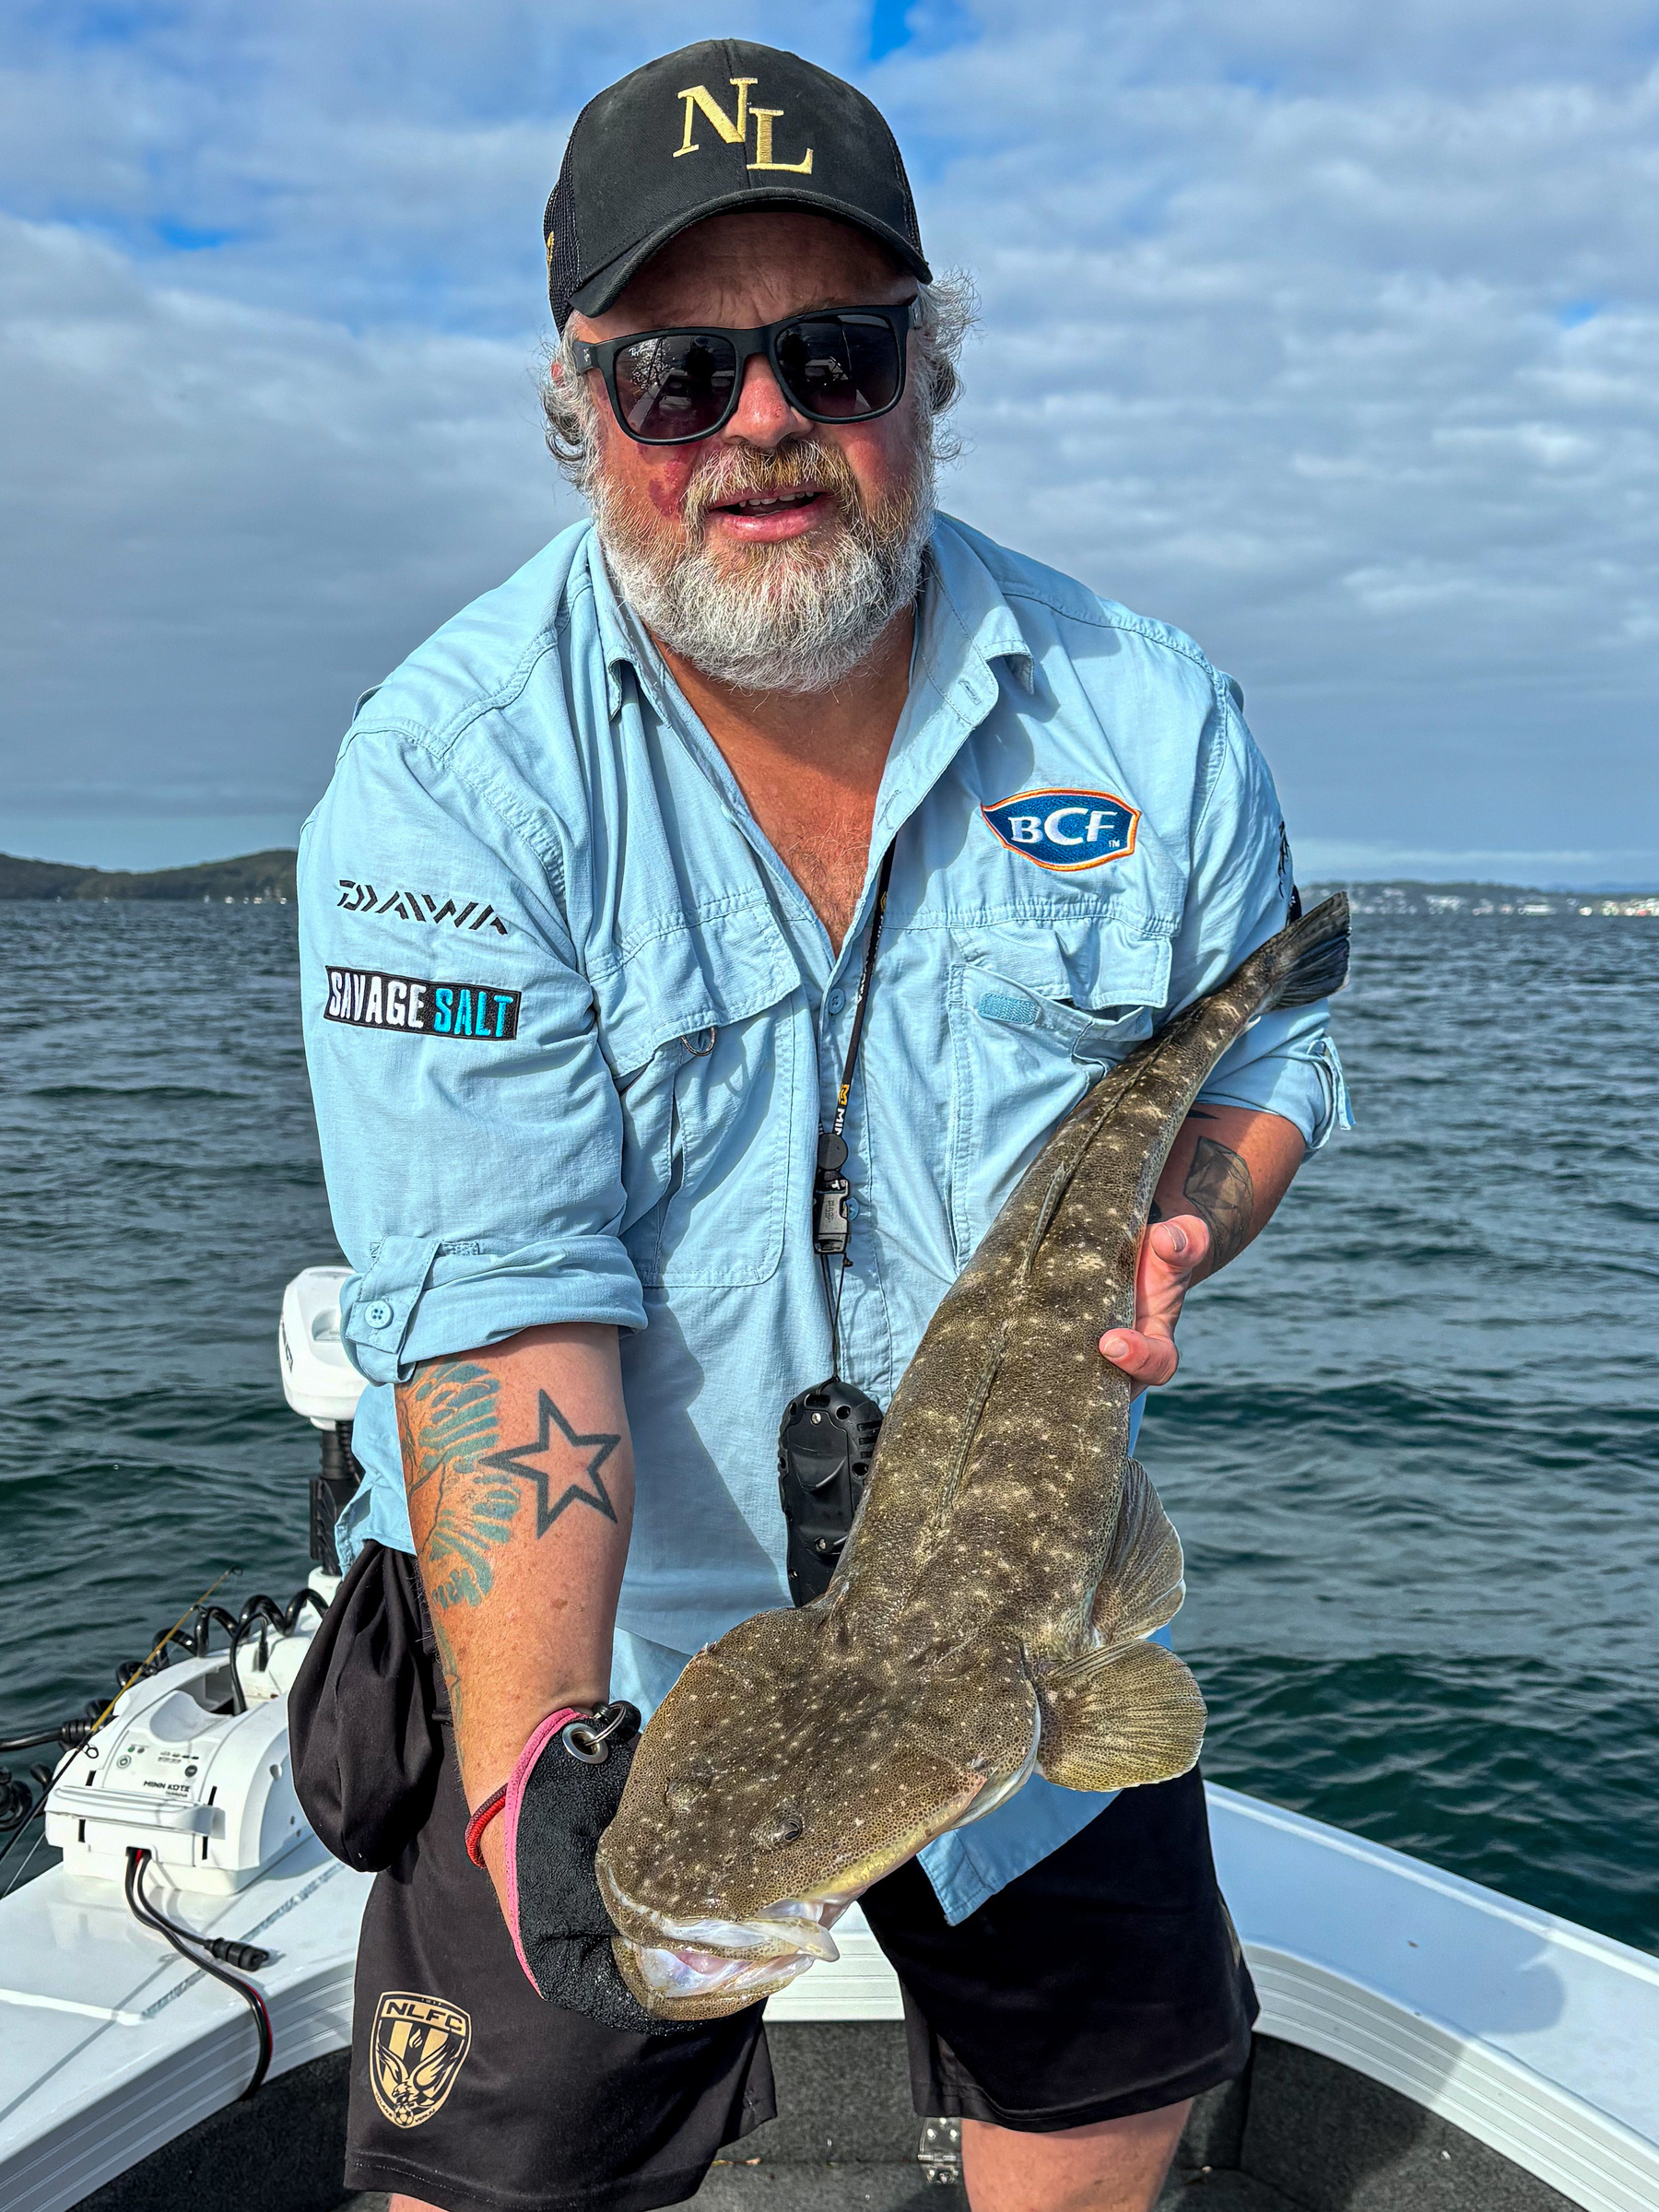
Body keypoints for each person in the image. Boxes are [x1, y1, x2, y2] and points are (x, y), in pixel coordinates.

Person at [298, 39, 1347, 2212]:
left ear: (928, 383)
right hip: (628, 1665)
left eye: (834, 355)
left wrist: (1190, 1224)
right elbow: (502, 1317)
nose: (762, 425)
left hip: (1022, 1620)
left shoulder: (1146, 715)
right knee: (489, 2166)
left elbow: (1258, 1066)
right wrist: (537, 1786)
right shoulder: (451, 780)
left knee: (1105, 2098)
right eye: (680, 376)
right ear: (582, 407)